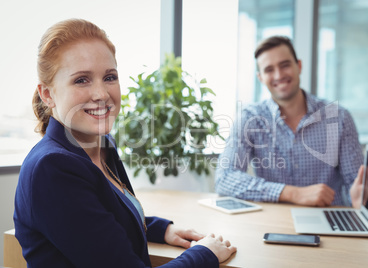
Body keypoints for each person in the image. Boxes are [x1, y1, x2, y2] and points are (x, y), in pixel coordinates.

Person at [14, 19, 236, 268]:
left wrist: (161, 229)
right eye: (81, 80)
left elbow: (101, 219)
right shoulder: (52, 168)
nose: (101, 94)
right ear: (47, 94)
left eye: (109, 77)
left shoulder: (102, 145)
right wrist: (205, 253)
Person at [215, 36, 365, 208]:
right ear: (260, 77)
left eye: (285, 65)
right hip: (273, 222)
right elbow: (224, 178)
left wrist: (359, 197)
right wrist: (292, 193)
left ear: (299, 66)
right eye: (269, 69)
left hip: (328, 220)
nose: (279, 75)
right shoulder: (250, 119)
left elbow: (356, 185)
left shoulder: (339, 117)